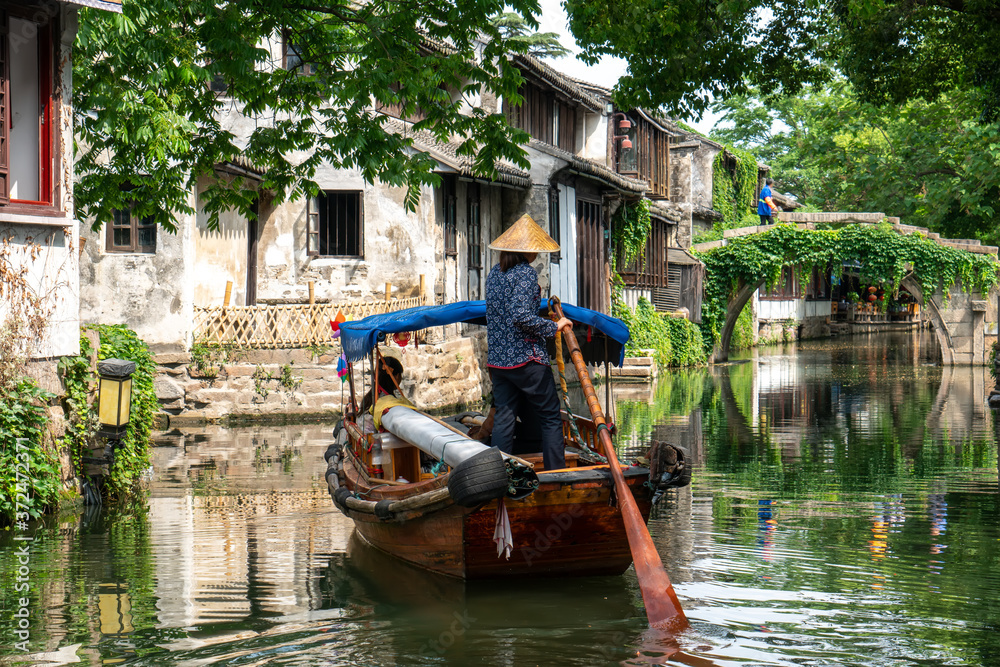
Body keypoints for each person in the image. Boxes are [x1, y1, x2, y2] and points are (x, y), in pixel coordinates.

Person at [485, 213, 572, 471]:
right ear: (528, 252)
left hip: (499, 362)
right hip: (525, 360)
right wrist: (554, 326)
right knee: (550, 417)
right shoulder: (524, 274)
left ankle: (498, 474)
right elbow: (520, 316)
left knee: (504, 416)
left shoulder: (494, 273)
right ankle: (556, 475)